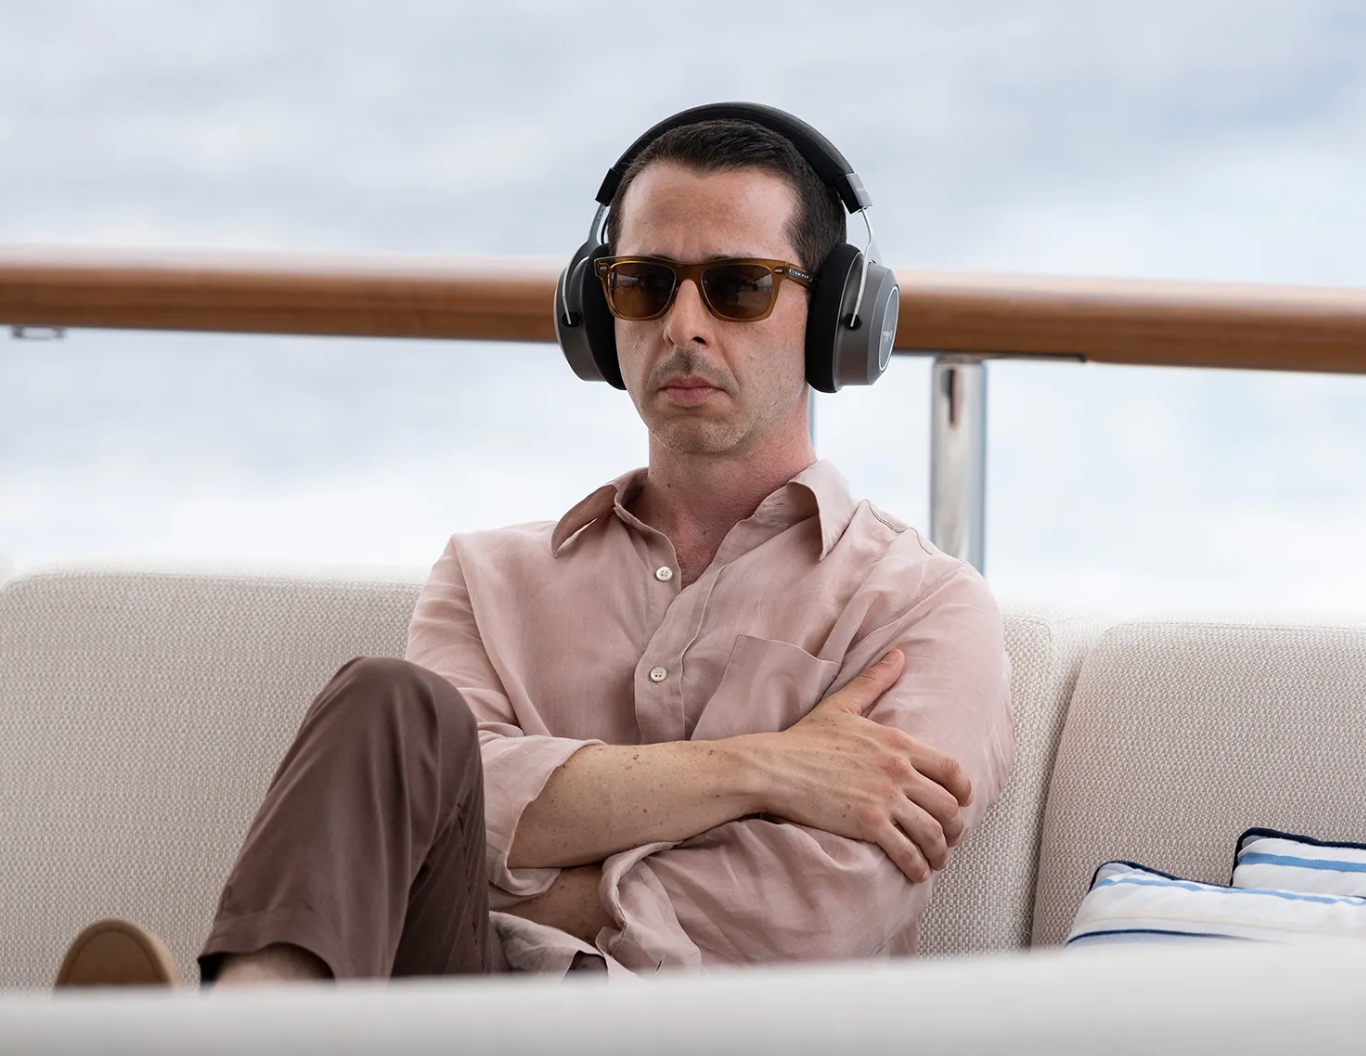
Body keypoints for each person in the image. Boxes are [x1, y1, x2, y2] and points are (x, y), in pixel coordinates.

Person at [56, 106, 1014, 987]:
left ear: (836, 319)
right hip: (452, 1008)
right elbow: (440, 835)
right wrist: (762, 767)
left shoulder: (923, 609)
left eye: (738, 287)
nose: (683, 325)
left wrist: (533, 870)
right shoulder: (484, 578)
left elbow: (801, 921)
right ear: (597, 314)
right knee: (385, 703)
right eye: (642, 286)